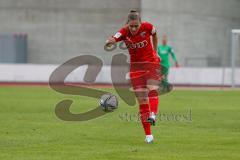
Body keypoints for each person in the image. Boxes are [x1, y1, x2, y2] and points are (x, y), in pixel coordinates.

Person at [105, 10, 162, 143]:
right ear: (128, 24)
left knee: (152, 87)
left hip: (150, 62)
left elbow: (154, 34)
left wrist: (155, 50)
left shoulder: (147, 27)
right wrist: (109, 41)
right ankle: (148, 136)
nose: (134, 28)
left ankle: (153, 114)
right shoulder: (124, 32)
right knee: (142, 101)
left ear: (140, 23)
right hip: (136, 68)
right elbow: (114, 38)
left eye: (136, 25)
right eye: (131, 26)